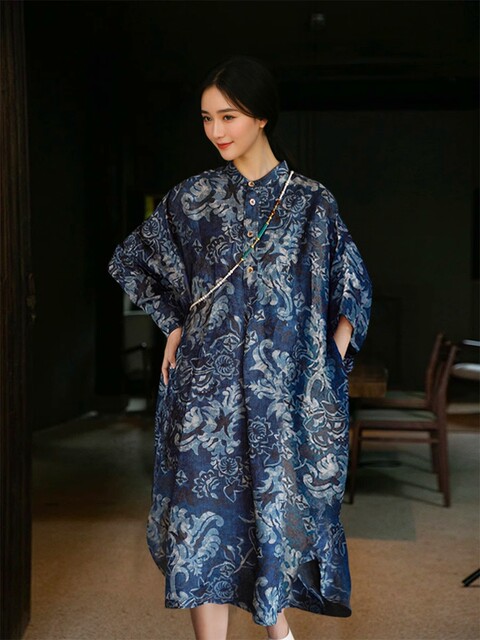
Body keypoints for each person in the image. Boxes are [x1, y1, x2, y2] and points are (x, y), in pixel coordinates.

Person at [108, 56, 372, 640]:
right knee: (204, 524)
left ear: (262, 117)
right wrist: (174, 325)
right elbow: (133, 261)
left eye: (228, 116)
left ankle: (279, 631)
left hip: (280, 398)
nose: (216, 130)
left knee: (271, 517)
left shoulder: (312, 203)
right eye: (207, 118)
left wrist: (325, 362)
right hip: (206, 395)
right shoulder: (192, 198)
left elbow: (352, 287)